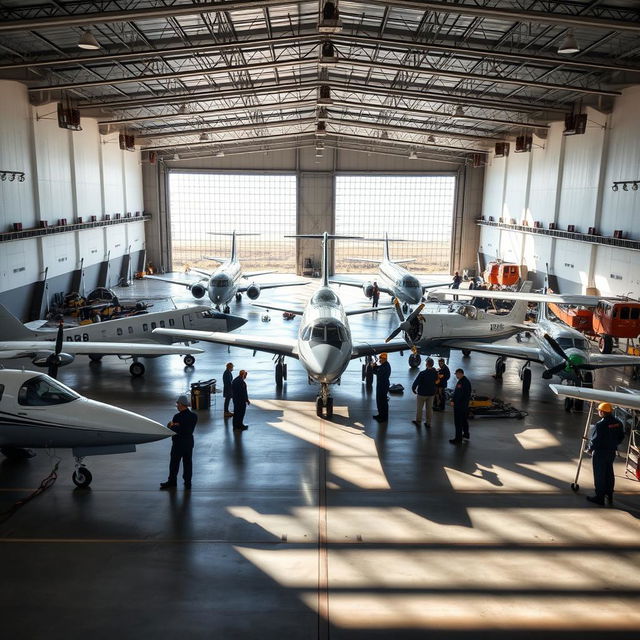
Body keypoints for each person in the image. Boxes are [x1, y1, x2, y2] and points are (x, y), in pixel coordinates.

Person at [586, 402, 625, 506]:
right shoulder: (618, 423)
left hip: (600, 453)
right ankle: (609, 494)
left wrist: (589, 449)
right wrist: (614, 443)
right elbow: (621, 436)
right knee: (609, 473)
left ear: (602, 412)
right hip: (611, 452)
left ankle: (600, 497)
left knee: (599, 475)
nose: (598, 412)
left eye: (599, 410)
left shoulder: (600, 425)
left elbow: (595, 440)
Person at [160, 394, 198, 490]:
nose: (177, 405)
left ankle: (172, 481)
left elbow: (174, 429)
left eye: (177, 403)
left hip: (178, 444)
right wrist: (176, 425)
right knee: (188, 463)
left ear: (181, 404)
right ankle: (188, 482)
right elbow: (184, 428)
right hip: (189, 443)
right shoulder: (194, 416)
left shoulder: (177, 416)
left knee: (174, 463)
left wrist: (171, 425)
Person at [411, 357, 438, 428]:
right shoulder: (435, 373)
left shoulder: (422, 373)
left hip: (422, 394)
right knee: (429, 409)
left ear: (426, 365)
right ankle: (428, 423)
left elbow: (416, 382)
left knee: (419, 408)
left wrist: (413, 389)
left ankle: (418, 421)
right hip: (431, 394)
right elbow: (436, 381)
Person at [449, 368, 471, 444]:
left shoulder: (462, 382)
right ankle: (466, 434)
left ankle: (458, 439)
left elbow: (460, 395)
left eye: (457, 374)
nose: (456, 376)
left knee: (458, 423)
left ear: (461, 373)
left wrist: (454, 402)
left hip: (460, 406)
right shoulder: (464, 381)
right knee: (464, 421)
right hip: (464, 406)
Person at [372, 352, 391, 422]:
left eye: (381, 359)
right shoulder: (385, 365)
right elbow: (379, 368)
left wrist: (373, 367)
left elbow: (378, 373)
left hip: (383, 386)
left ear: (384, 359)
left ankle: (383, 417)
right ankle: (380, 415)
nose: (380, 360)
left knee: (382, 402)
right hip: (381, 385)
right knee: (379, 401)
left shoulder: (385, 366)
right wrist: (375, 366)